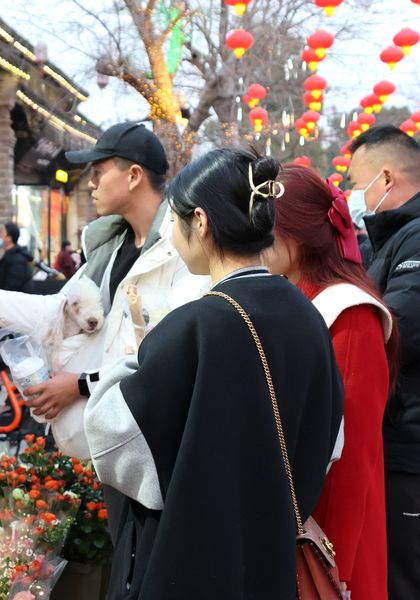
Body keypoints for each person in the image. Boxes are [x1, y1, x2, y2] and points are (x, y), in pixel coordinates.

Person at [83, 149, 344, 598]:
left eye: (175, 222)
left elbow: (111, 443)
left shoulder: (195, 325)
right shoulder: (308, 315)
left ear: (200, 222)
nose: (170, 234)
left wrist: (132, 360)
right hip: (272, 554)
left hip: (188, 561)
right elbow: (331, 441)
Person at [0, 122, 208, 423]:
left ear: (133, 176)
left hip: (154, 435)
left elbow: (171, 355)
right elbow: (59, 309)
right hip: (109, 435)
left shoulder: (184, 249)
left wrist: (82, 385)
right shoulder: (110, 246)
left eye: (98, 172)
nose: (91, 183)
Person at [265, 164, 397, 599]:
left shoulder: (348, 312)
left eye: (266, 226)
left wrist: (330, 562)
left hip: (329, 529)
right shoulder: (296, 295)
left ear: (297, 232)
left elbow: (349, 462)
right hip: (297, 516)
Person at [348, 125, 420, 600]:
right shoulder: (396, 238)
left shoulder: (414, 241)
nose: (355, 195)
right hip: (396, 440)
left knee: (404, 577)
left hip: (409, 445)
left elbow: (398, 331)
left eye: (357, 182)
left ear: (387, 179)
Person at [0, 222, 33, 291]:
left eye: (2, 233)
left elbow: (12, 288)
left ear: (9, 238)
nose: (0, 236)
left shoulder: (17, 261)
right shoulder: (9, 257)